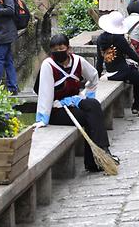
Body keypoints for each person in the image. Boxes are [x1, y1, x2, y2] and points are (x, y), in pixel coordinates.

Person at [35, 34, 117, 171]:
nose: (58, 52)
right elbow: (45, 93)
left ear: (69, 49)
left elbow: (94, 76)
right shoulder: (48, 65)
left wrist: (88, 95)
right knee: (91, 117)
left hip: (75, 101)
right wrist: (42, 119)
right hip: (57, 109)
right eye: (55, 49)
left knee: (94, 105)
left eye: (61, 48)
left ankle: (103, 151)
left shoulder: (78, 61)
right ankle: (95, 159)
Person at [96, 11, 139, 116]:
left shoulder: (100, 39)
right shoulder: (118, 38)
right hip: (122, 72)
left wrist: (98, 75)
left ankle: (136, 107)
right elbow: (129, 52)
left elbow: (99, 59)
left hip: (110, 72)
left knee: (137, 78)